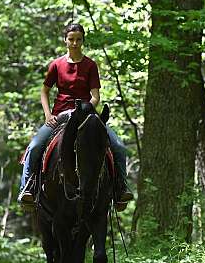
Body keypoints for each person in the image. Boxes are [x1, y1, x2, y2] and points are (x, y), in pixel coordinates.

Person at [18, 23, 133, 209]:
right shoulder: (56, 65)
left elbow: (95, 96)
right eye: (71, 39)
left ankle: (120, 189)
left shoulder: (90, 65)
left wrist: (87, 108)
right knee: (35, 145)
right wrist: (48, 115)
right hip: (60, 115)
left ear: (83, 41)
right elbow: (44, 91)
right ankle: (27, 189)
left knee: (118, 146)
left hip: (86, 114)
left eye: (78, 39)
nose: (74, 43)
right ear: (65, 40)